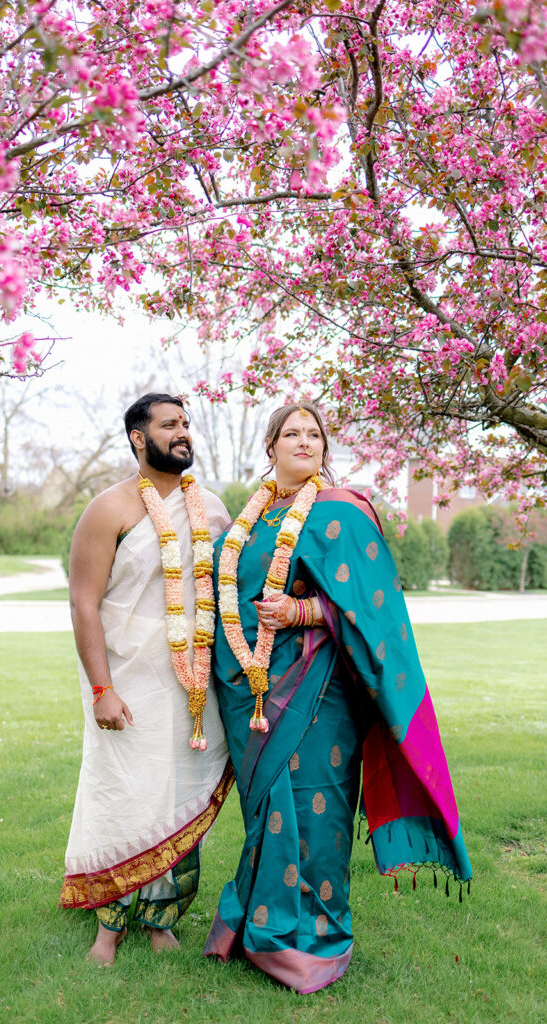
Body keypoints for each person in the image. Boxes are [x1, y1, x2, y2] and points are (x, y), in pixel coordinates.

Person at [204, 402, 472, 993]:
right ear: (270, 447)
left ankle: (315, 939)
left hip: (319, 690)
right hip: (249, 691)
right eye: (291, 433)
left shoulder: (342, 513)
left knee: (314, 809)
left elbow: (375, 608)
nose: (305, 441)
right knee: (265, 814)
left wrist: (301, 609)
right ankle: (257, 926)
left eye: (315, 433)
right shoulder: (246, 525)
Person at [59, 393, 232, 963]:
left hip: (193, 681)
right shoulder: (108, 509)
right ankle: (108, 927)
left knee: (180, 790)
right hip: (125, 682)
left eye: (185, 423)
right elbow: (84, 605)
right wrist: (103, 689)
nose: (183, 432)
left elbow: (236, 583)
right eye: (169, 425)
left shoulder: (211, 507)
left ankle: (162, 919)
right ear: (139, 437)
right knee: (126, 792)